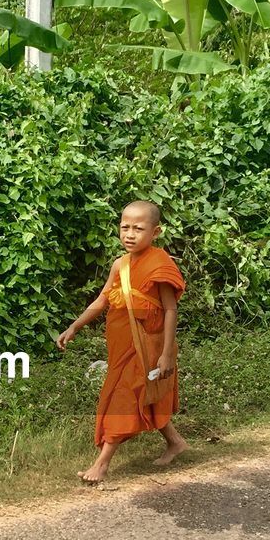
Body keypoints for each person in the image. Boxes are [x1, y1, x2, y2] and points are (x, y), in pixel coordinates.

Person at [55, 200, 188, 483]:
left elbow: (170, 310)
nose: (129, 234)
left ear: (156, 232)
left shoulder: (160, 264)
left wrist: (166, 354)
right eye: (124, 227)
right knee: (143, 396)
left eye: (138, 228)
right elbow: (103, 299)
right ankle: (176, 442)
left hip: (148, 345)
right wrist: (75, 326)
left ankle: (102, 464)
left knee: (123, 398)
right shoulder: (120, 265)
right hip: (122, 344)